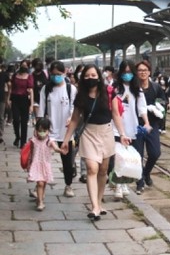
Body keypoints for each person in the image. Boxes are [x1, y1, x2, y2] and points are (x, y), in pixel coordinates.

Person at [60, 64, 131, 221]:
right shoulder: (81, 95)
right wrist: (66, 140)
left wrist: (122, 134)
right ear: (82, 77)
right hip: (89, 134)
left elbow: (116, 115)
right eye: (87, 76)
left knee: (103, 171)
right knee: (92, 168)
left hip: (106, 133)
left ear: (99, 76)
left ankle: (99, 202)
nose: (90, 78)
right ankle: (94, 207)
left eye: (93, 75)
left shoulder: (108, 92)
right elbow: (74, 120)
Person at [110, 60, 151, 199]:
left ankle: (124, 183)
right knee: (119, 157)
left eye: (129, 72)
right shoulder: (114, 88)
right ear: (120, 73)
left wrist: (146, 122)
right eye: (124, 72)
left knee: (128, 158)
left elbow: (142, 107)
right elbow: (113, 110)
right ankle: (118, 186)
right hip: (116, 128)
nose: (127, 75)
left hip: (131, 128)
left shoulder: (137, 89)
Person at [37, 60, 78, 198]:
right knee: (42, 161)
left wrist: (71, 117)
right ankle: (39, 188)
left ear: (64, 72)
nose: (56, 77)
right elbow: (41, 111)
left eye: (58, 74)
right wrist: (39, 129)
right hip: (49, 132)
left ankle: (68, 185)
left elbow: (75, 107)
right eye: (53, 74)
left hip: (66, 133)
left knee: (67, 162)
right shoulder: (46, 89)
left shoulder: (70, 89)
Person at [133, 60, 166, 194]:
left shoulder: (156, 87)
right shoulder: (133, 88)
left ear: (149, 72)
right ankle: (140, 182)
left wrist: (158, 107)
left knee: (155, 153)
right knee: (137, 155)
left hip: (152, 124)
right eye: (140, 70)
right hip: (136, 125)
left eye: (145, 70)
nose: (143, 72)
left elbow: (164, 101)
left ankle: (146, 173)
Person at [25, 118, 62, 211]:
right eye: (39, 131)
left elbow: (55, 148)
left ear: (48, 131)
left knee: (44, 182)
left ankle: (40, 198)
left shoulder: (50, 140)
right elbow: (31, 152)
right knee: (40, 183)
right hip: (36, 164)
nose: (42, 133)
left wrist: (61, 150)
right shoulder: (34, 140)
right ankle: (41, 202)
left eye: (44, 131)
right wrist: (29, 164)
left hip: (45, 165)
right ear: (36, 130)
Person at [8, 59, 34, 148]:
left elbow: (31, 91)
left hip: (24, 100)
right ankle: (17, 136)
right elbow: (11, 88)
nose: (24, 67)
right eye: (22, 65)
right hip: (15, 99)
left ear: (28, 67)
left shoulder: (29, 77)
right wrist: (9, 99)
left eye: (26, 65)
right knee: (15, 119)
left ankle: (23, 142)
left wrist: (31, 104)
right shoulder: (15, 75)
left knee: (24, 122)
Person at [0, 64, 9, 145]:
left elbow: (9, 85)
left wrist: (8, 98)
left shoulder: (4, 75)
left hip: (1, 98)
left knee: (1, 117)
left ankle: (1, 134)